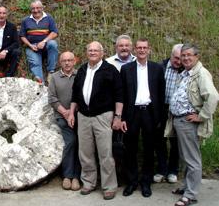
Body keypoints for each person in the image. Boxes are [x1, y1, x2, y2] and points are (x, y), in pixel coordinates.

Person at [165, 44, 219, 206]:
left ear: (197, 57)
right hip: (179, 121)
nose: (186, 58)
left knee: (192, 159)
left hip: (189, 122)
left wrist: (201, 116)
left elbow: (213, 97)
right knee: (185, 157)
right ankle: (187, 186)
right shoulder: (187, 74)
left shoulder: (201, 74)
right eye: (183, 56)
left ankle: (191, 194)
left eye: (190, 55)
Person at [68, 41, 123, 200]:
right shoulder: (83, 70)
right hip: (83, 116)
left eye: (95, 50)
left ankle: (109, 186)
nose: (92, 53)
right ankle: (89, 182)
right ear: (87, 53)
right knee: (85, 153)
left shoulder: (110, 70)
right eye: (90, 50)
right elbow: (75, 94)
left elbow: (119, 95)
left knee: (105, 153)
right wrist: (72, 113)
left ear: (102, 53)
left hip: (103, 116)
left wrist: (118, 117)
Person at [120, 38, 165, 198]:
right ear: (134, 49)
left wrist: (159, 116)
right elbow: (123, 95)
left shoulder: (157, 68)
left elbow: (161, 94)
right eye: (138, 47)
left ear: (149, 49)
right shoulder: (126, 69)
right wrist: (122, 117)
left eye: (144, 47)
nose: (141, 50)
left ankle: (146, 182)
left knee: (149, 149)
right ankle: (132, 182)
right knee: (130, 148)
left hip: (150, 113)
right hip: (132, 113)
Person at [48, 51, 81, 191]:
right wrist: (66, 113)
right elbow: (52, 99)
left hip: (80, 116)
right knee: (71, 142)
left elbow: (82, 95)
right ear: (60, 62)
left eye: (70, 60)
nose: (67, 63)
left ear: (74, 61)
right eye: (64, 60)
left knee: (81, 145)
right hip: (62, 117)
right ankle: (68, 176)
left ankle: (76, 177)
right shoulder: (54, 78)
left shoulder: (80, 75)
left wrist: (73, 112)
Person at [153, 44, 183, 184]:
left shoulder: (186, 69)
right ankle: (161, 170)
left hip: (177, 111)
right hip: (162, 109)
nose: (179, 61)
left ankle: (172, 171)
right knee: (159, 141)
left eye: (181, 58)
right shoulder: (160, 67)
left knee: (176, 142)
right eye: (176, 58)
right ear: (171, 56)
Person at [19, 0, 59, 83]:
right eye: (33, 8)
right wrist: (30, 45)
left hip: (46, 44)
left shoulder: (48, 18)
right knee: (35, 63)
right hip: (32, 47)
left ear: (42, 8)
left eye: (38, 8)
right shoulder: (26, 20)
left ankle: (51, 72)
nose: (36, 10)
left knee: (53, 44)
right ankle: (40, 83)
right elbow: (22, 36)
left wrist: (44, 41)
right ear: (31, 9)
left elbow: (54, 33)